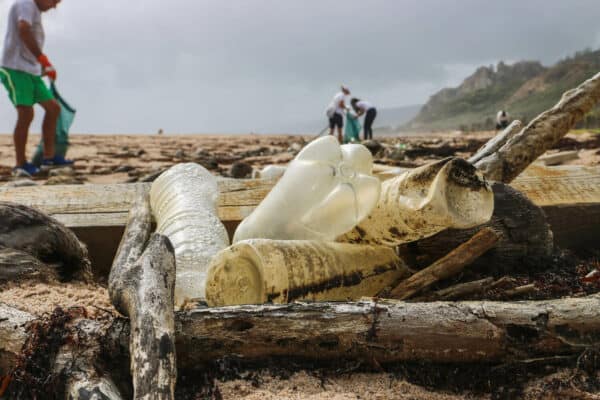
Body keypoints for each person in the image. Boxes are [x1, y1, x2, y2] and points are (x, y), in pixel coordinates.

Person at [0, 0, 73, 177]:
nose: (54, 6)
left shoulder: (35, 11)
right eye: (54, 1)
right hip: (14, 68)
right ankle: (20, 164)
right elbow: (23, 29)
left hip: (31, 69)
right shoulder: (26, 3)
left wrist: (42, 67)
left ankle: (49, 158)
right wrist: (42, 58)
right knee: (26, 113)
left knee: (53, 108)